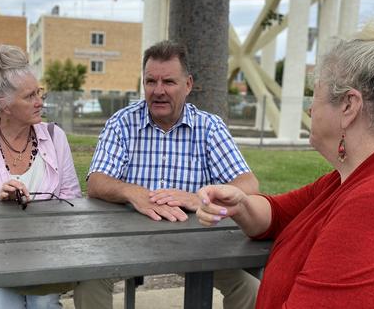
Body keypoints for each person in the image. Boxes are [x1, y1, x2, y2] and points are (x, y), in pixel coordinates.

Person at [197, 2, 374, 308]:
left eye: (315, 97)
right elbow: (278, 214)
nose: (310, 109)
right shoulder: (356, 178)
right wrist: (239, 204)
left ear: (348, 106)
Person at [77, 40, 260, 308]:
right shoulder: (122, 123)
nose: (158, 91)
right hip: (126, 241)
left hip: (197, 244)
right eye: (151, 81)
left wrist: (200, 201)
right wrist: (133, 193)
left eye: (169, 82)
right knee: (88, 282)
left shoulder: (209, 127)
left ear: (188, 85)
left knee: (250, 289)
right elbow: (96, 182)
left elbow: (249, 184)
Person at [0, 45, 82, 309]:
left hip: (45, 250)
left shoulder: (55, 137)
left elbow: (71, 195)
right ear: (5, 106)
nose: (39, 101)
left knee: (43, 303)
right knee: (5, 305)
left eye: (39, 92)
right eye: (29, 96)